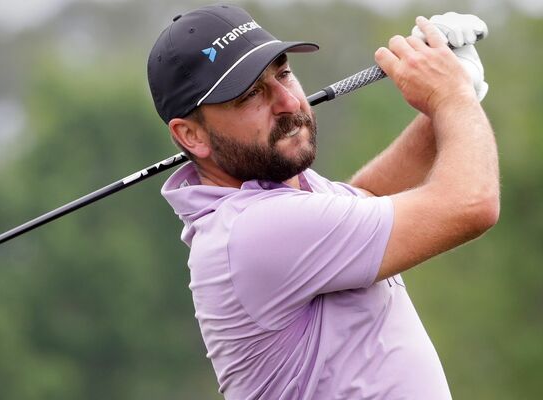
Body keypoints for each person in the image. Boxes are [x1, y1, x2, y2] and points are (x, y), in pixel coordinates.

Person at [147, 4, 498, 399]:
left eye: (283, 74)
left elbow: (365, 201)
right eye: (251, 95)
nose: (289, 102)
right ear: (191, 135)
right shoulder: (251, 230)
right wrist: (452, 98)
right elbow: (472, 205)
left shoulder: (272, 191)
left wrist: (455, 94)